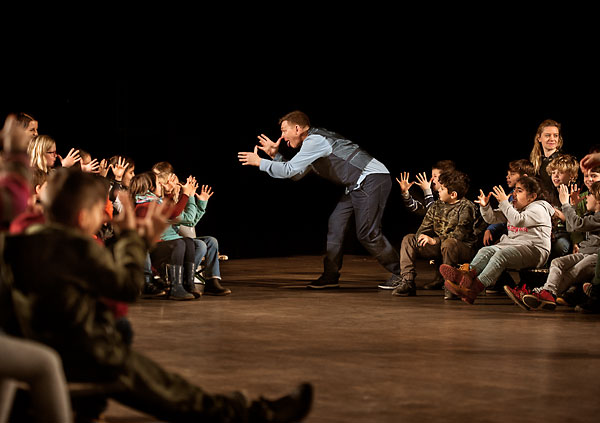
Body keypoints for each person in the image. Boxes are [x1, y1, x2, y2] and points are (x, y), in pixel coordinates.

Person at [2, 167, 313, 422]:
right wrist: (134, 239)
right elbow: (124, 287)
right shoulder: (77, 246)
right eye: (102, 211)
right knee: (164, 386)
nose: (107, 216)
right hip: (79, 350)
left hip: (51, 339)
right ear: (83, 219)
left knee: (145, 368)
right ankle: (248, 414)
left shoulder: (23, 238)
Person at [238, 110, 400, 289]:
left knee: (367, 234)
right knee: (336, 223)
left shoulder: (315, 141)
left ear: (298, 128)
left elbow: (289, 170)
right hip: (357, 184)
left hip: (371, 179)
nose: (282, 137)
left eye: (284, 131)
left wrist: (260, 163)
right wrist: (274, 156)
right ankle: (330, 276)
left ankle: (403, 274)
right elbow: (297, 174)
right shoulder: (311, 143)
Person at [440, 176, 554, 305]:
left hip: (535, 250)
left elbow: (518, 220)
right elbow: (492, 219)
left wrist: (504, 203)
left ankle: (473, 289)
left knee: (502, 255)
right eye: (514, 190)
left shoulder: (539, 208)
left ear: (532, 197)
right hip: (513, 246)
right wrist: (485, 206)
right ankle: (465, 275)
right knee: (486, 251)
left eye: (519, 191)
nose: (514, 194)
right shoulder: (513, 207)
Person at [508, 181, 600, 311]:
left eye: (590, 194)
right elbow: (571, 227)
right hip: (585, 253)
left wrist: (566, 204)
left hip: (595, 256)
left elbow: (577, 224)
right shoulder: (591, 215)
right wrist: (572, 207)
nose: (586, 197)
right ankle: (545, 293)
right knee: (557, 262)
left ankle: (541, 294)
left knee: (572, 272)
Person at [390, 169, 482, 298]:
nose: (438, 190)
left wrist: (435, 240)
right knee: (409, 239)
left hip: (462, 248)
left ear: (453, 194)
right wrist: (421, 237)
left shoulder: (467, 207)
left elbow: (459, 235)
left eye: (443, 189)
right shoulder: (437, 205)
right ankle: (408, 281)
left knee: (449, 243)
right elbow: (424, 227)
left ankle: (451, 285)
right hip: (441, 246)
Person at [157, 170, 231, 296]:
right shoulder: (163, 203)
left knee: (211, 241)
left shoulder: (173, 201)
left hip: (179, 239)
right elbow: (189, 219)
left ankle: (212, 281)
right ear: (163, 184)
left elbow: (191, 222)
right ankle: (186, 278)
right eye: (173, 180)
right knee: (200, 245)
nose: (178, 183)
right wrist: (190, 196)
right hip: (168, 243)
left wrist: (201, 204)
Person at [130, 171, 198, 300]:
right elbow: (173, 213)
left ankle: (188, 284)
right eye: (158, 183)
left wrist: (168, 193)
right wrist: (186, 194)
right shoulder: (145, 204)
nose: (161, 185)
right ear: (151, 187)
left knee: (188, 241)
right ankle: (176, 287)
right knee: (179, 243)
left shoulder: (151, 201)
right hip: (147, 253)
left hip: (154, 247)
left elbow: (165, 209)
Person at [546, 154, 579, 260]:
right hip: (550, 231)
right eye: (553, 173)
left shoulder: (576, 193)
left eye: (560, 173)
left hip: (568, 233)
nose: (555, 176)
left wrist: (560, 215)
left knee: (561, 246)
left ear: (571, 175)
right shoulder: (550, 193)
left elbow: (577, 223)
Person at [529, 119, 564, 202]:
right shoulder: (536, 160)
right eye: (548, 135)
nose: (552, 139)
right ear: (539, 138)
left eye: (555, 135)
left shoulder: (563, 161)